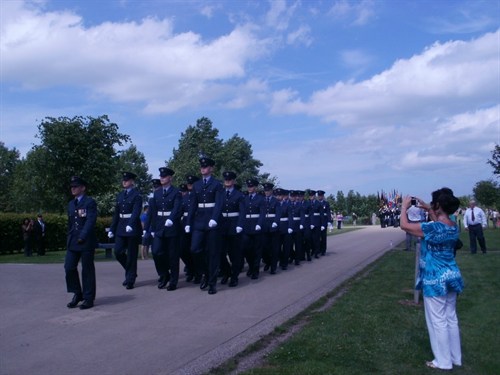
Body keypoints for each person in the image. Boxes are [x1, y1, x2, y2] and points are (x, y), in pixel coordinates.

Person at [400, 188, 463, 370]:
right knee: (451, 318)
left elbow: (405, 226)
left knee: (437, 321)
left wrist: (404, 208)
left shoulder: (432, 228)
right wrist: (430, 210)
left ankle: (442, 361)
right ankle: (455, 357)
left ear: (438, 206)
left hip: (435, 278)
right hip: (452, 275)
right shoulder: (452, 226)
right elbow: (440, 225)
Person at [185, 157, 224, 295]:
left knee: (212, 253)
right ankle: (205, 274)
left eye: (206, 166)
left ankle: (212, 283)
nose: (203, 168)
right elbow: (193, 206)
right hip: (199, 222)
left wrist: (214, 218)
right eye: (202, 166)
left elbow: (219, 203)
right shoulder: (196, 185)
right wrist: (188, 222)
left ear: (211, 169)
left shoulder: (217, 185)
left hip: (212, 223)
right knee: (195, 249)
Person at [145, 167, 182, 291]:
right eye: (161, 176)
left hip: (172, 227)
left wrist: (171, 218)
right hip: (160, 226)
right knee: (156, 252)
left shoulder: (176, 192)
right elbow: (153, 212)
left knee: (172, 255)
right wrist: (152, 228)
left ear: (170, 178)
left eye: (164, 176)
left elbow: (177, 208)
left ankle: (173, 281)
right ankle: (164, 274)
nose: (162, 178)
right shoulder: (157, 193)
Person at [65, 176, 98, 310]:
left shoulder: (89, 202)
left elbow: (90, 220)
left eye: (76, 186)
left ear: (83, 188)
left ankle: (88, 298)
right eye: (72, 187)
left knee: (87, 270)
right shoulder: (71, 204)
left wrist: (83, 236)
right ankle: (77, 293)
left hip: (86, 241)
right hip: (73, 241)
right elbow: (71, 223)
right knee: (69, 267)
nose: (73, 189)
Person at [108, 172, 143, 289]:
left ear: (132, 182)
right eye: (123, 180)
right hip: (121, 227)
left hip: (132, 228)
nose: (124, 182)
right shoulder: (120, 196)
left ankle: (130, 279)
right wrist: (112, 228)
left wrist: (131, 224)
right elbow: (116, 214)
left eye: (127, 180)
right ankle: (130, 271)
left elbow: (136, 212)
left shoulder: (137, 196)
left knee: (132, 255)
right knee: (117, 252)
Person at [219, 171, 245, 287]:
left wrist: (240, 225)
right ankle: (226, 272)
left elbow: (242, 212)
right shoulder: (220, 194)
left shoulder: (239, 195)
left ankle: (234, 276)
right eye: (226, 180)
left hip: (234, 226)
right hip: (222, 226)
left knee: (234, 253)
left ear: (234, 181)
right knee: (220, 252)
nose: (227, 181)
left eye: (229, 180)